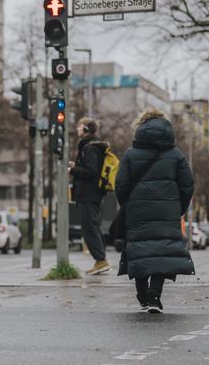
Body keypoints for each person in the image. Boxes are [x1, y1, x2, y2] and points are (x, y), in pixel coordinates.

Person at [115, 109, 195, 313]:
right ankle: (154, 296)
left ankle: (142, 295)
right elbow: (188, 185)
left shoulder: (130, 154)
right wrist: (179, 208)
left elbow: (121, 185)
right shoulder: (176, 155)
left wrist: (129, 204)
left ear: (140, 128)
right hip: (167, 211)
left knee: (140, 250)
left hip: (137, 211)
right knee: (162, 252)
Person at [68, 117, 110, 275]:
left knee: (89, 228)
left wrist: (73, 170)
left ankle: (101, 260)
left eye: (79, 127)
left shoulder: (90, 147)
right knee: (93, 226)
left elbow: (92, 173)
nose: (77, 129)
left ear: (86, 129)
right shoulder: (91, 146)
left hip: (88, 194)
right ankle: (101, 260)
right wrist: (77, 167)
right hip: (91, 193)